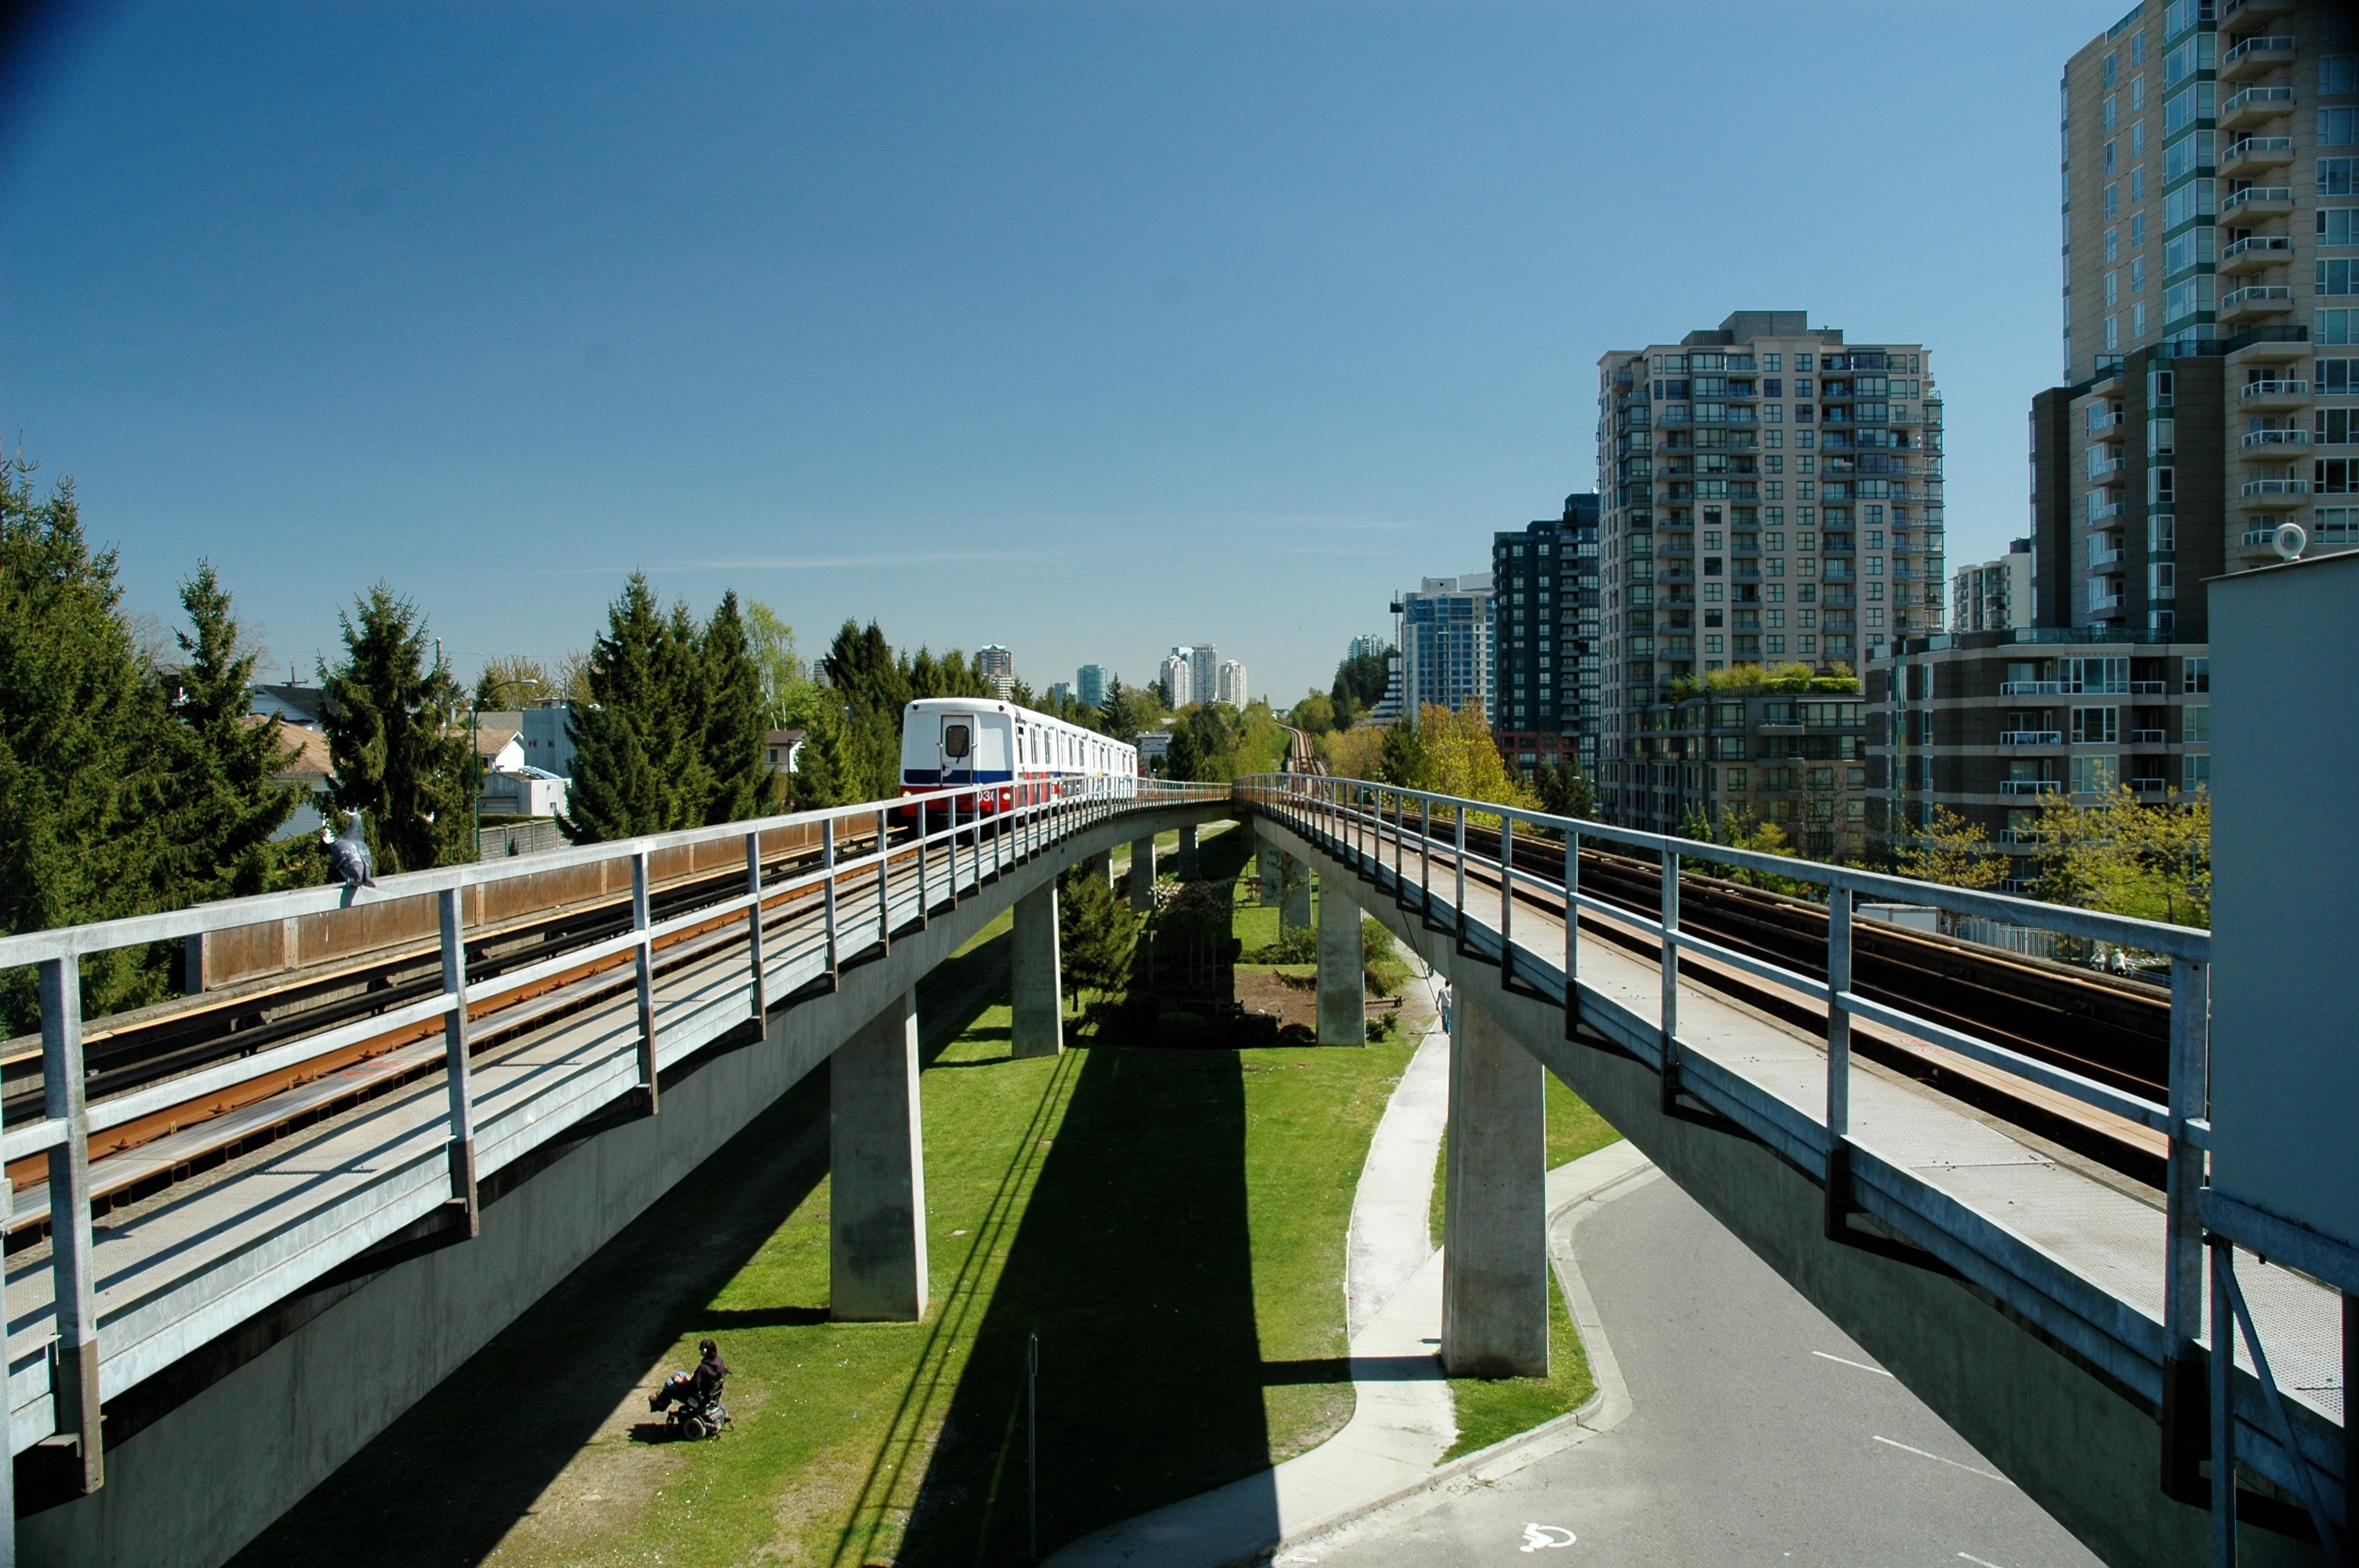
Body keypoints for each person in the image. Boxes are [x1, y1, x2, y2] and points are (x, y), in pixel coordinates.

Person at [650, 1338, 728, 1412]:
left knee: (670, 1383)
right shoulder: (719, 1361)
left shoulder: (703, 1368)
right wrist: (690, 1379)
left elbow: (695, 1388)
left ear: (704, 1351)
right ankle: (662, 1397)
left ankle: (660, 1404)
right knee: (679, 1373)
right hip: (709, 1391)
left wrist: (681, 1382)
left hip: (697, 1398)